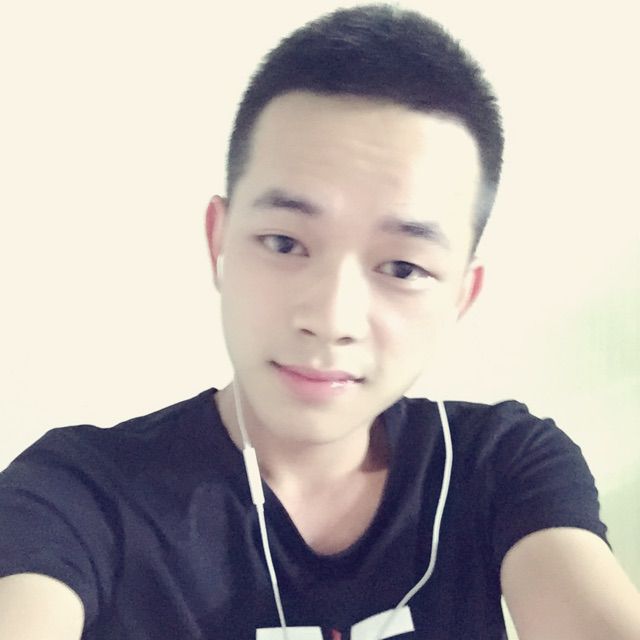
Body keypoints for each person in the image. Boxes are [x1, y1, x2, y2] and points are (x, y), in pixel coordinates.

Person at [1, 3, 639, 639]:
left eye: (403, 267)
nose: (331, 320)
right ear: (219, 240)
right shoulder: (78, 493)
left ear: (460, 297)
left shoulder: (500, 465)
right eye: (284, 243)